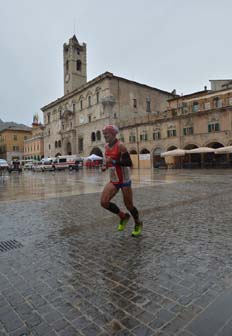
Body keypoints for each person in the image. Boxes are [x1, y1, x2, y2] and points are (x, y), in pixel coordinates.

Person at [100, 125, 143, 237]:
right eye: (104, 134)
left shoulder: (121, 146)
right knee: (104, 202)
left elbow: (129, 162)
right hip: (114, 179)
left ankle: (138, 223)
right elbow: (108, 160)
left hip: (124, 180)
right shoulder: (106, 146)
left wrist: (114, 162)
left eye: (107, 134)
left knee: (129, 205)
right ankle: (123, 216)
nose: (105, 136)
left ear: (113, 134)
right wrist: (105, 165)